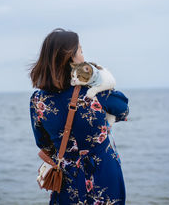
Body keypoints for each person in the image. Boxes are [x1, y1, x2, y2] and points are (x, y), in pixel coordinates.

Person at [29, 28, 129, 205]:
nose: (84, 57)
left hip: (67, 179)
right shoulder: (93, 92)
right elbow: (123, 109)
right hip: (104, 175)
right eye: (81, 51)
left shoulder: (38, 100)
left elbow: (43, 142)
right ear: (71, 58)